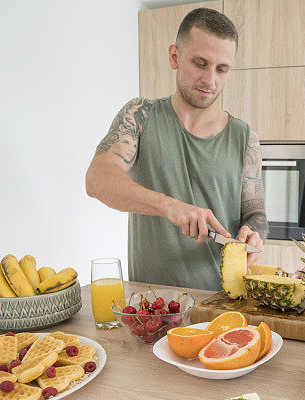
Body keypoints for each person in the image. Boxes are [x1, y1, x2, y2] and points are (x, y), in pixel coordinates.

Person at [85, 8, 266, 290]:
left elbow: (255, 213)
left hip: (222, 306)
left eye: (222, 69)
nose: (211, 80)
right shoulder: (140, 115)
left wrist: (254, 234)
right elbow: (98, 179)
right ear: (174, 56)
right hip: (151, 306)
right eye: (200, 63)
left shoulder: (245, 137)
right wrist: (170, 206)